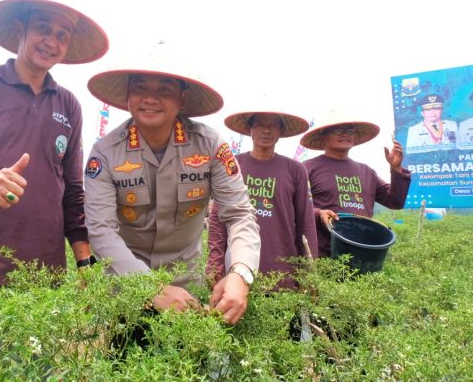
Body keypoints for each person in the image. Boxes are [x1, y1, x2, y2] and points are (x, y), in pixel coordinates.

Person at [0, 0, 109, 305]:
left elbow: (72, 191)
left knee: (36, 354)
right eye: (43, 28)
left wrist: (84, 261)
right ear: (20, 29)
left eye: (61, 35)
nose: (51, 41)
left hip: (43, 274)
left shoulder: (68, 105)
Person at [83, 56, 260, 325]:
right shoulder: (105, 153)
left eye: (164, 90)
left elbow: (239, 215)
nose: (150, 99)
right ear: (128, 95)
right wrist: (150, 289)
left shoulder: (210, 146)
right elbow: (101, 230)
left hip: (186, 291)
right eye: (140, 88)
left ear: (182, 98)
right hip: (125, 289)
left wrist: (241, 273)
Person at [207, 111, 317, 290]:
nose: (266, 130)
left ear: (281, 131)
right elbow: (217, 220)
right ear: (249, 129)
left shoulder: (295, 170)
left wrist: (308, 274)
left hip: (283, 273)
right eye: (259, 124)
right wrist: (215, 264)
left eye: (273, 125)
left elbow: (306, 223)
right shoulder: (234, 165)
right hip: (236, 273)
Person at [300, 111, 411, 258]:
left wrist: (396, 169)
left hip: (363, 251)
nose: (344, 134)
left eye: (349, 130)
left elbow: (395, 201)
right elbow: (294, 207)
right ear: (323, 136)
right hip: (323, 253)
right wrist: (319, 213)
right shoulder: (307, 168)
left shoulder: (366, 171)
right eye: (338, 130)